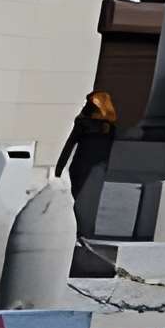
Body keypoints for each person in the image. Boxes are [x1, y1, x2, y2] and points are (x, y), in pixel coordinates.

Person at [55, 89, 116, 235]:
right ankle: (81, 231)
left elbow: (69, 146)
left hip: (84, 166)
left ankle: (72, 231)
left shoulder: (84, 123)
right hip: (96, 168)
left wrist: (59, 168)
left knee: (77, 199)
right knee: (87, 201)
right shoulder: (109, 126)